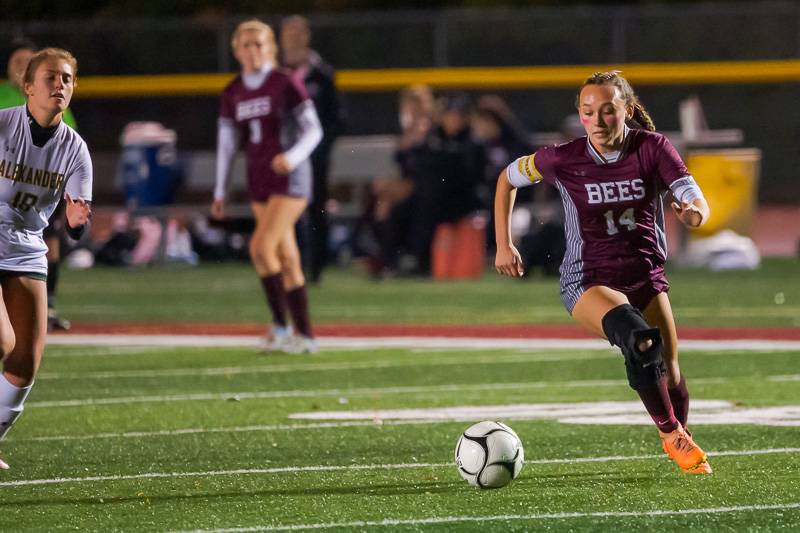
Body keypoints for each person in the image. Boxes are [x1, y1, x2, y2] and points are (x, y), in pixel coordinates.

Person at [494, 71, 713, 474]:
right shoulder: (563, 157)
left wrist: (694, 213)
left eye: (608, 111)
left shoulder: (652, 148)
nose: (597, 120)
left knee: (671, 370)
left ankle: (680, 430)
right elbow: (507, 179)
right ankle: (671, 435)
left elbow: (692, 195)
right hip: (589, 279)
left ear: (626, 111)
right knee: (640, 340)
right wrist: (504, 243)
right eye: (587, 111)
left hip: (644, 273)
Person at [0, 48, 92, 468]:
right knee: (2, 341)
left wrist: (75, 221)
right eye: (52, 77)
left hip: (26, 245)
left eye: (68, 79)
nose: (60, 85)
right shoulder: (3, 125)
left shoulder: (75, 149)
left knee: (24, 362)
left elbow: (77, 222)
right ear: (28, 86)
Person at [212, 19, 323, 354]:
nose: (252, 51)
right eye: (245, 45)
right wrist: (220, 190)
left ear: (271, 48)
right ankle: (302, 335)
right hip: (259, 178)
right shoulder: (233, 91)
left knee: (261, 248)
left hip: (291, 178)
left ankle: (281, 326)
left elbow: (314, 130)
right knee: (286, 258)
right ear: (236, 51)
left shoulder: (285, 82)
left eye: (259, 44)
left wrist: (292, 156)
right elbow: (227, 143)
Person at [1, 38, 78, 331]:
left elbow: (69, 142)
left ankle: (48, 305)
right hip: (7, 188)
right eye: (16, 62)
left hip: (42, 186)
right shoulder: (3, 96)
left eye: (26, 62)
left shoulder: (55, 99)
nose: (21, 67)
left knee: (51, 243)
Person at [280, 15, 344, 284]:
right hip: (281, 157)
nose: (294, 37)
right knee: (281, 212)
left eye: (299, 32)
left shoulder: (321, 74)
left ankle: (315, 269)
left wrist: (318, 149)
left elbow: (336, 119)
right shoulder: (272, 73)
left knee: (316, 210)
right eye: (289, 32)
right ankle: (286, 267)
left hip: (312, 156)